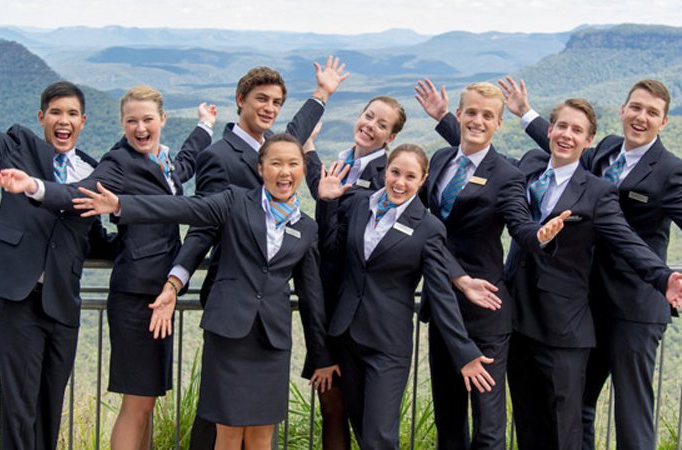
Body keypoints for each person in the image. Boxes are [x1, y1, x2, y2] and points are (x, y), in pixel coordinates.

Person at [494, 77, 682, 450]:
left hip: (634, 306)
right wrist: (525, 114)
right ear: (623, 110)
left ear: (664, 122)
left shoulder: (670, 171)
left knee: (631, 415)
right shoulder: (607, 150)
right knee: (576, 406)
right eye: (636, 108)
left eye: (652, 112)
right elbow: (565, 152)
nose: (641, 117)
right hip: (586, 304)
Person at [71, 134, 337, 450]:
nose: (285, 171)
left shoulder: (306, 227)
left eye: (293, 164)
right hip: (228, 336)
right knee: (228, 433)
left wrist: (321, 356)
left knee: (262, 436)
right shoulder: (235, 201)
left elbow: (311, 295)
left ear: (303, 169)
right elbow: (184, 208)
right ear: (261, 168)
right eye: (276, 163)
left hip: (272, 342)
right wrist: (121, 205)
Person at [0, 85, 216, 450]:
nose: (140, 128)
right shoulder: (118, 163)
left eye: (148, 120)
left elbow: (186, 164)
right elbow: (76, 193)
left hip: (158, 293)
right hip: (136, 295)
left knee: (147, 402)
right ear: (122, 123)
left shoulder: (164, 160)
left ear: (162, 120)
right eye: (132, 121)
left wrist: (205, 125)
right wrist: (34, 186)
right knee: (138, 403)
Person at [315, 144, 567, 449]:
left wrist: (464, 351)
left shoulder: (428, 228)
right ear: (386, 171)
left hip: (387, 344)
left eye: (410, 176)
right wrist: (326, 202)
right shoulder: (358, 204)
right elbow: (331, 248)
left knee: (379, 438)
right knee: (362, 429)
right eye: (395, 172)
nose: (400, 182)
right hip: (347, 336)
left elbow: (441, 293)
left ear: (423, 180)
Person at [158, 56, 348, 449]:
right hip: (232, 296)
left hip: (268, 317)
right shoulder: (218, 156)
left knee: (260, 428)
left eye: (276, 103)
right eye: (261, 99)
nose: (269, 108)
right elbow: (203, 227)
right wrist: (176, 280)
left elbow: (293, 136)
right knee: (218, 422)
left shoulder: (275, 149)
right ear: (240, 100)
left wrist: (322, 94)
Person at [0, 81, 115, 449]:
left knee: (50, 408)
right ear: (41, 117)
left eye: (72, 114)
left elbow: (95, 240)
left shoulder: (92, 172)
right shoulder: (17, 149)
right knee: (19, 411)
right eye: (56, 112)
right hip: (17, 299)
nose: (64, 120)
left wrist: (152, 249)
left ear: (83, 121)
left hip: (63, 305)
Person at [414, 80, 565, 449]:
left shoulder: (507, 175)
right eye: (471, 112)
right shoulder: (441, 159)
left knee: (488, 426)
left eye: (487, 115)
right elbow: (424, 222)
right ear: (458, 114)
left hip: (484, 313)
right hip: (442, 305)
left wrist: (540, 236)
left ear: (498, 123)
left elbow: (520, 224)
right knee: (448, 421)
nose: (477, 121)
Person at [301, 95, 406, 450]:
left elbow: (340, 238)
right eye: (368, 116)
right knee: (331, 407)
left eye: (381, 124)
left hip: (357, 313)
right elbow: (323, 189)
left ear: (390, 137)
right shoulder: (344, 162)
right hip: (326, 304)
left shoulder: (384, 178)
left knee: (363, 417)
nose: (370, 126)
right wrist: (309, 148)